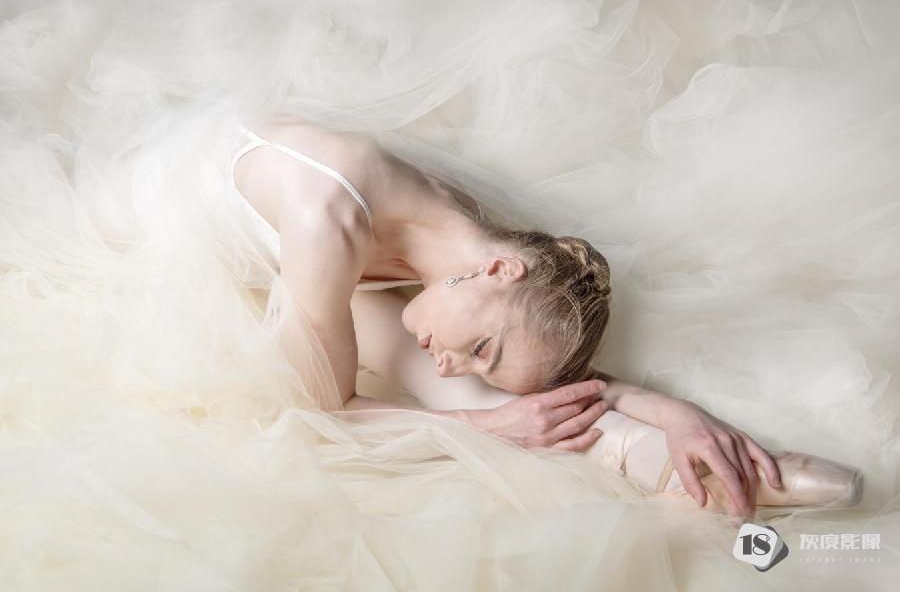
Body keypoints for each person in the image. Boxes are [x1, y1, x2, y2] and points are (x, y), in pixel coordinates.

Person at [230, 112, 862, 519]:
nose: (453, 363)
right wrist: (485, 425)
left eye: (480, 350)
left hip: (327, 271)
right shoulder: (328, 217)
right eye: (483, 348)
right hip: (216, 261)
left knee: (482, 382)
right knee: (466, 398)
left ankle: (696, 461)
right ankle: (656, 460)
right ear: (501, 271)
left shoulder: (480, 256)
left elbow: (529, 355)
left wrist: (677, 411)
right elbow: (319, 412)